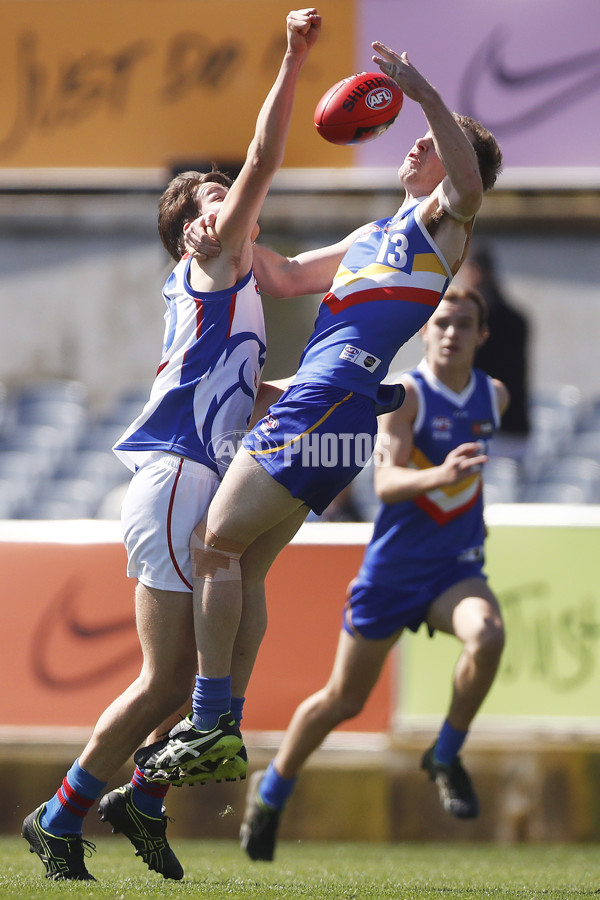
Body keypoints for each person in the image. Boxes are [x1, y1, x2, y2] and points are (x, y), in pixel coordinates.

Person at [135, 42, 503, 797]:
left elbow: (467, 179)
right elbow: (284, 276)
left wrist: (426, 90)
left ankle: (211, 724)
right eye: (421, 134)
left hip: (327, 396)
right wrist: (218, 236)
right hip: (337, 406)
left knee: (214, 546)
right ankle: (220, 722)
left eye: (435, 142)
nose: (418, 142)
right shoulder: (375, 235)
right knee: (246, 562)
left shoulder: (444, 223)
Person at [21, 8, 322, 882]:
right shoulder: (218, 260)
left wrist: (327, 394)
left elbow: (239, 389)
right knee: (168, 681)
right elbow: (266, 158)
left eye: (224, 196)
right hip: (175, 476)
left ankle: (141, 802)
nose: (227, 201)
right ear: (191, 226)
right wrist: (294, 57)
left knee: (200, 674)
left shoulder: (235, 291)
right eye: (209, 196)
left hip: (198, 469)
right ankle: (61, 813)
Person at [240, 283, 509, 860]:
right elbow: (385, 484)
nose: (452, 334)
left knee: (487, 635)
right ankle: (273, 787)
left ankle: (445, 753)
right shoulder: (407, 395)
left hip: (454, 570)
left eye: (464, 324)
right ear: (424, 333)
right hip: (391, 573)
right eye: (441, 323)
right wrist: (441, 475)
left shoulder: (495, 396)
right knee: (342, 700)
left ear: (482, 335)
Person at [459, 244, 530, 451]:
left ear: (477, 271)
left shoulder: (478, 319)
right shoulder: (518, 318)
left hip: (484, 425)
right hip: (516, 423)